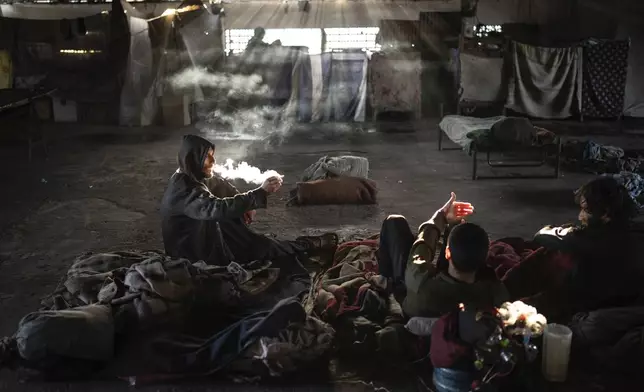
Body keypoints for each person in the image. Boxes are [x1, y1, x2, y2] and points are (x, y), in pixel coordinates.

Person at [161, 135, 336, 266]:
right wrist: (259, 193)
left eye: (213, 155)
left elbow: (221, 185)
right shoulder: (184, 190)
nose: (213, 161)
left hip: (204, 234)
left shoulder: (192, 174)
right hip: (191, 253)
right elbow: (216, 208)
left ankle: (291, 246)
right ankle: (305, 246)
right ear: (194, 158)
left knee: (253, 241)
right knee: (256, 250)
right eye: (207, 156)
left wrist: (248, 205)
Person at [377, 193, 509, 318]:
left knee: (394, 222)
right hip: (452, 301)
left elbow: (421, 247)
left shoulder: (419, 279)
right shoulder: (495, 293)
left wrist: (440, 217)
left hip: (415, 305)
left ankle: (385, 280)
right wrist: (454, 224)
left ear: (447, 252)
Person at [532, 176, 643, 315]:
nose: (580, 216)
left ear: (605, 213)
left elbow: (542, 235)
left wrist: (569, 231)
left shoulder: (589, 240)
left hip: (592, 312)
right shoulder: (636, 231)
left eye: (585, 210)